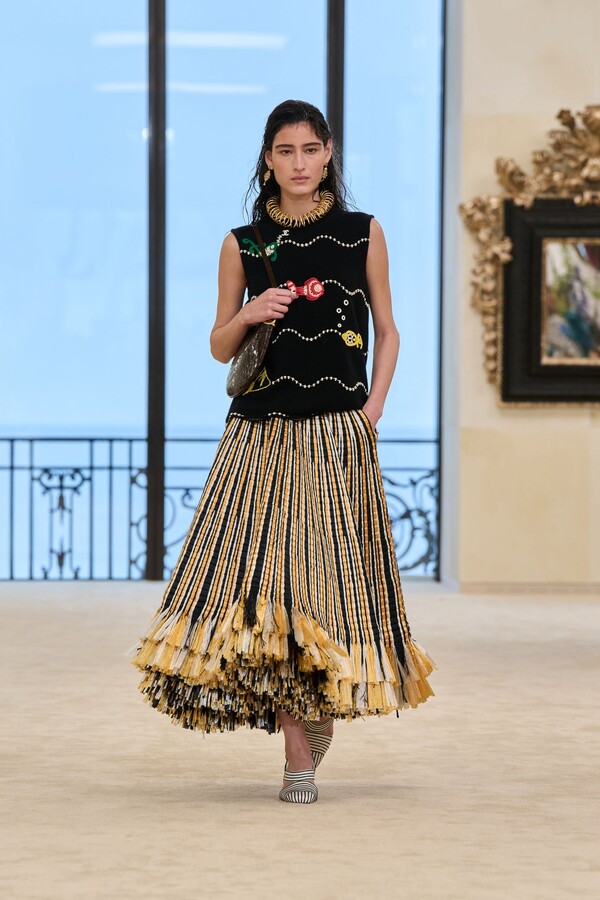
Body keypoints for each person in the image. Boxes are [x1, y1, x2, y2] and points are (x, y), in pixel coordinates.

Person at [128, 99, 436, 804]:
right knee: (273, 588)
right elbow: (219, 347)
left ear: (328, 155)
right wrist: (247, 313)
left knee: (329, 583)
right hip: (260, 435)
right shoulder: (243, 243)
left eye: (310, 149)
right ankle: (298, 749)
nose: (299, 163)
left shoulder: (363, 232)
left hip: (337, 435)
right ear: (267, 160)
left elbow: (388, 330)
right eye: (285, 151)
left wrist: (373, 410)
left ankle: (318, 706)